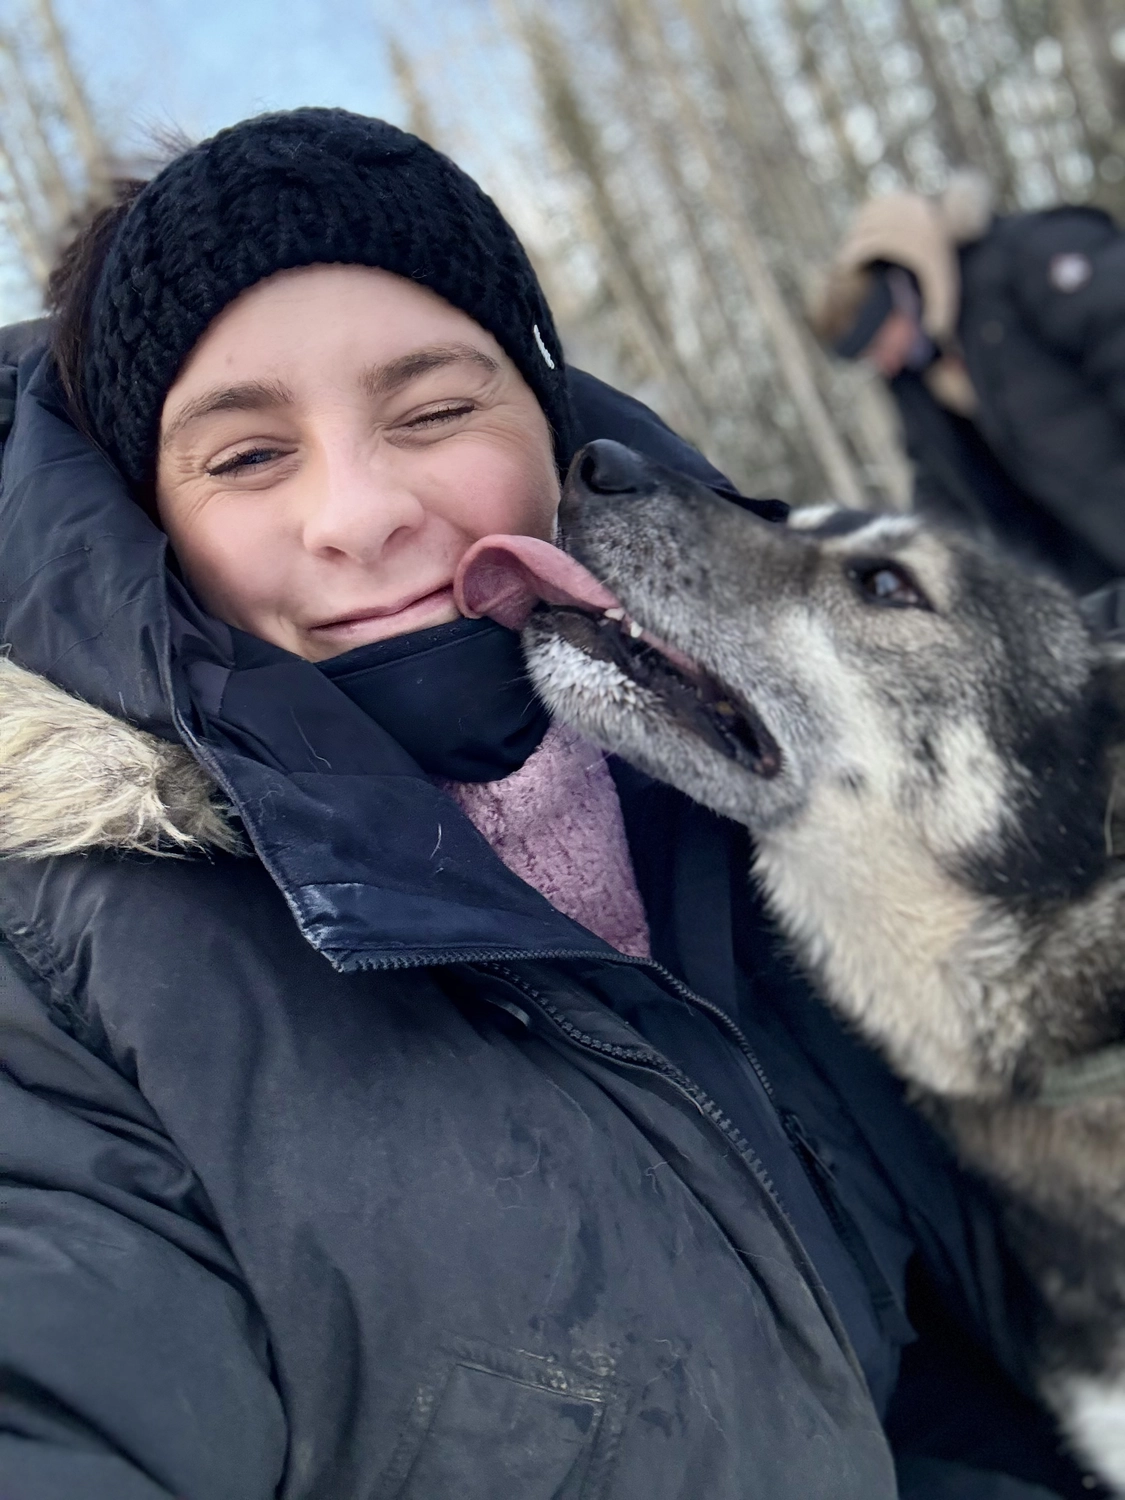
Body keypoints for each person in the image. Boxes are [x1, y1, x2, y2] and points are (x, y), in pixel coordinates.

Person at [0, 109, 1096, 1499]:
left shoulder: (745, 760)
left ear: (548, 416)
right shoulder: (65, 972)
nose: (360, 514)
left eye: (436, 410)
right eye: (247, 457)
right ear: (147, 518)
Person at [809, 173, 1125, 594]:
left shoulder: (1022, 259)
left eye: (880, 340)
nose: (883, 361)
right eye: (868, 358)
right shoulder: (916, 377)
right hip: (1087, 569)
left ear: (898, 295)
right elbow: (940, 482)